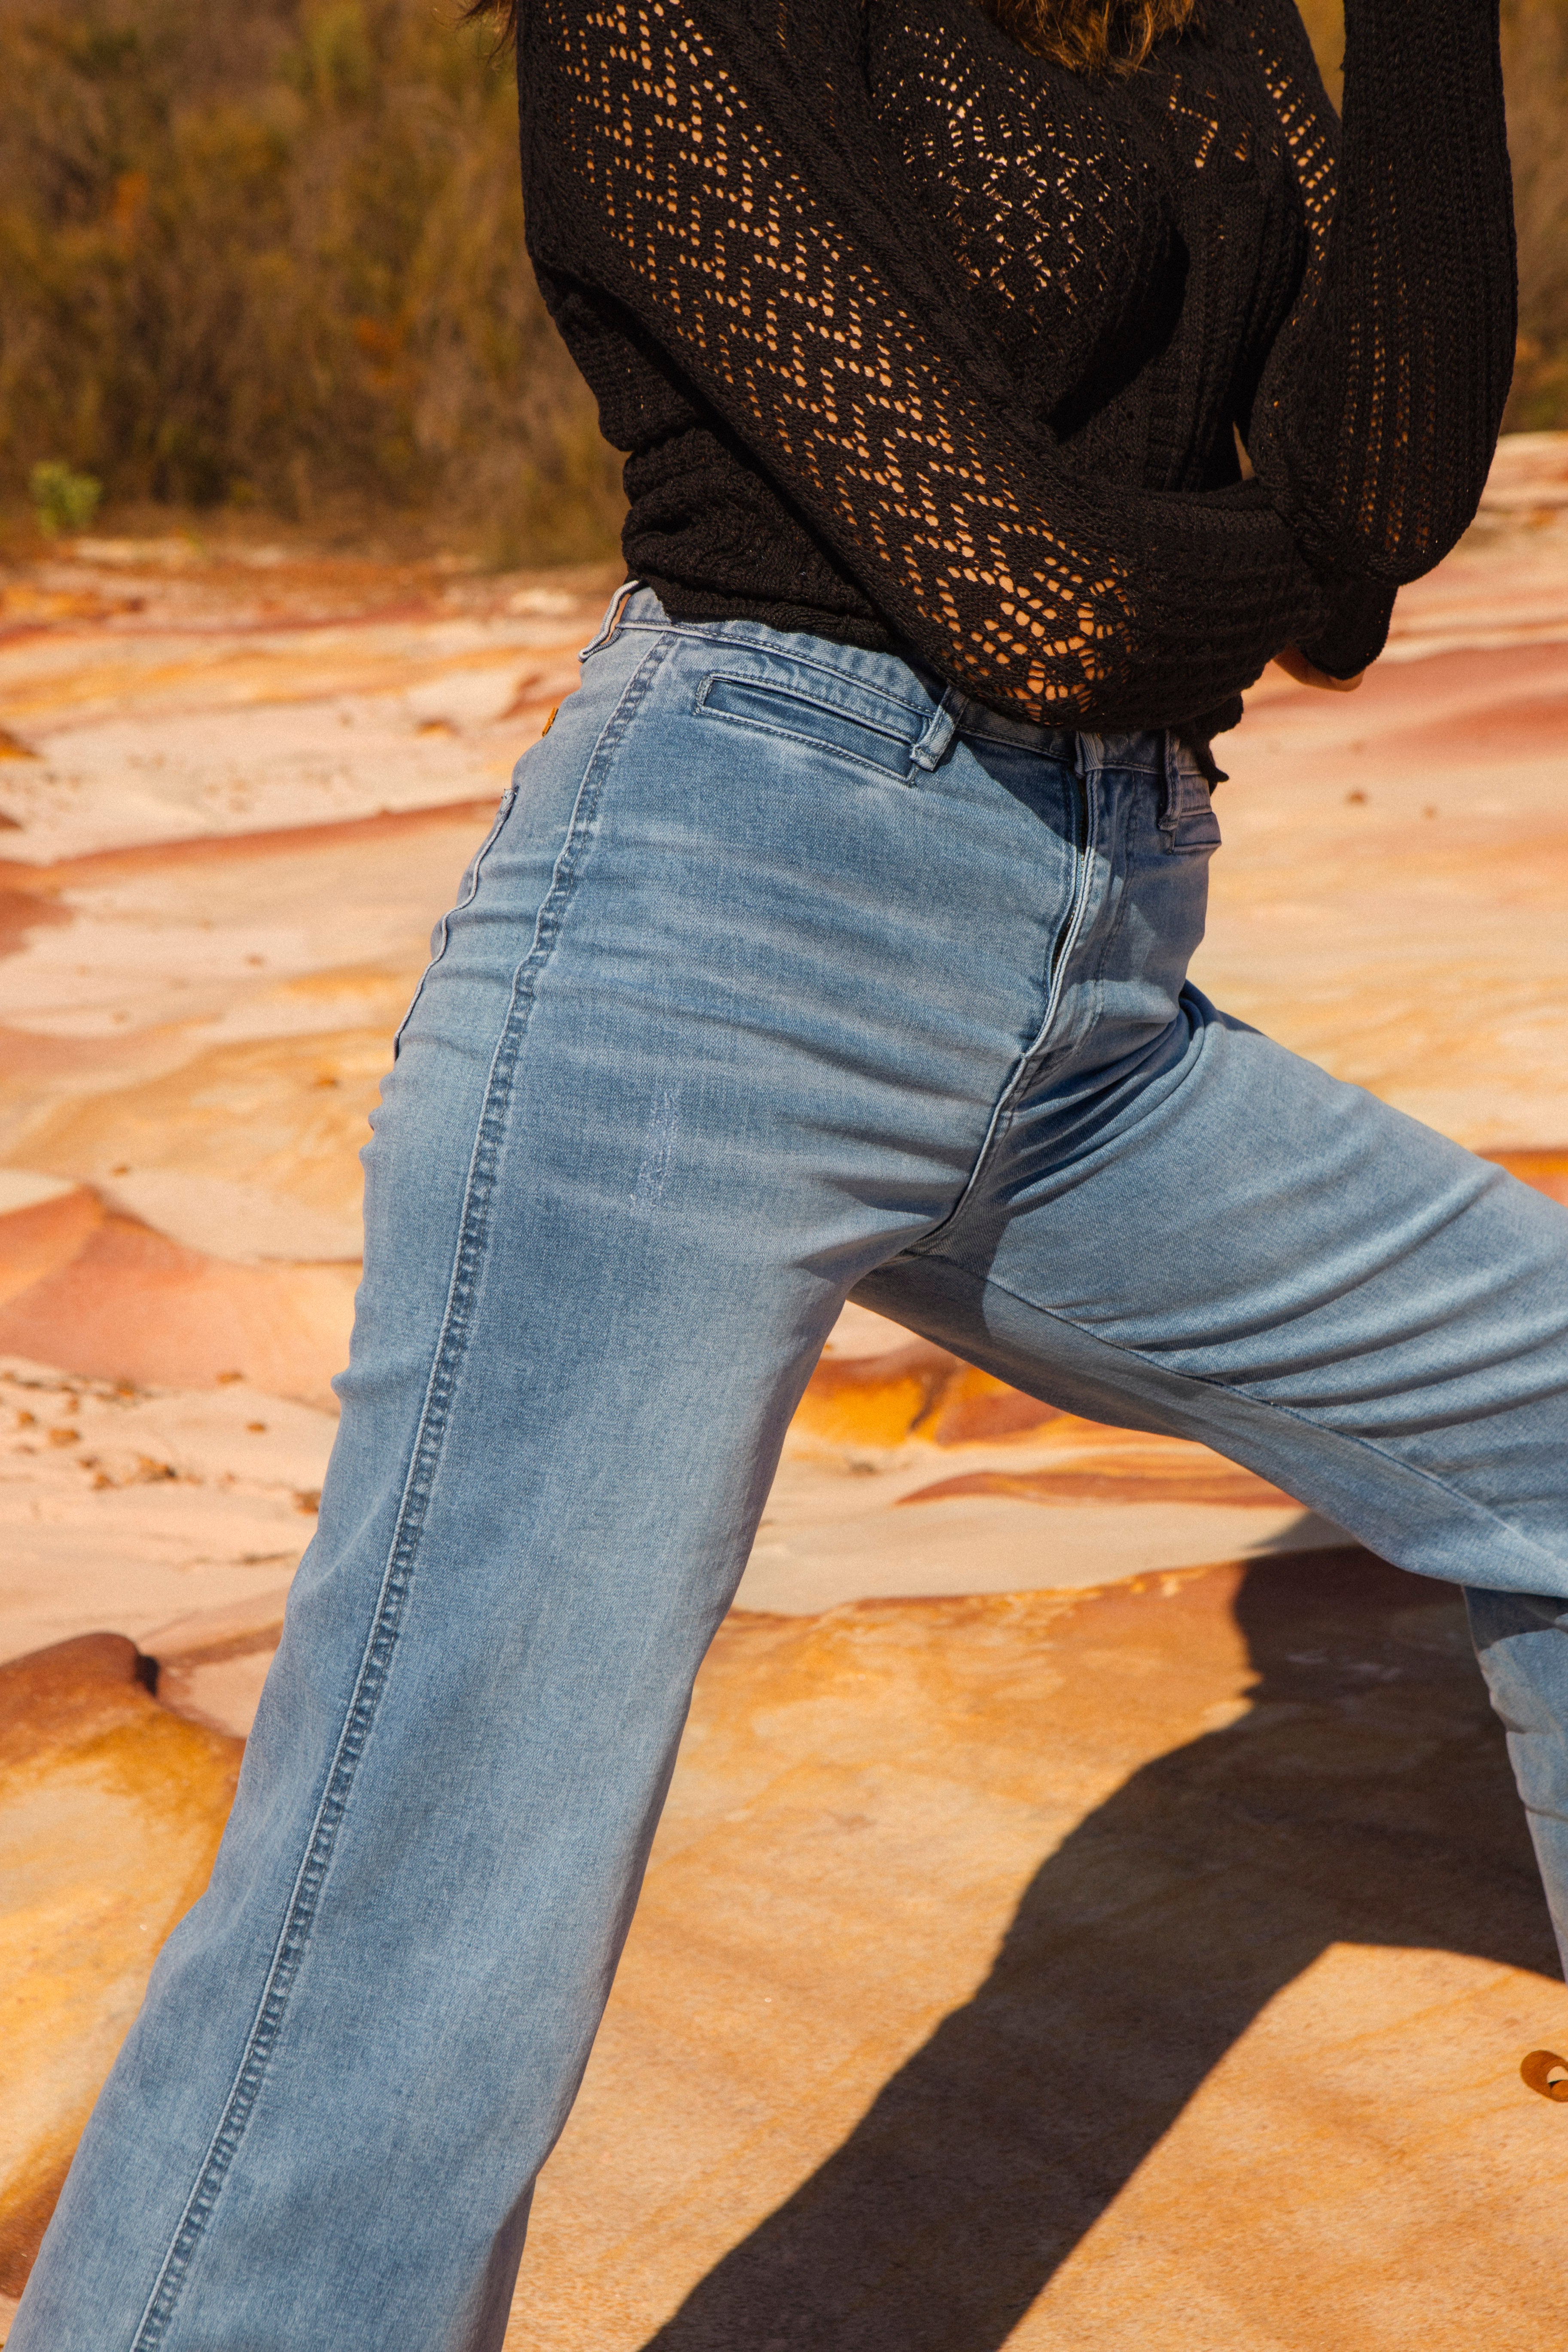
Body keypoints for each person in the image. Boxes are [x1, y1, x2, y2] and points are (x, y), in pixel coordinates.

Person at [14, 1, 1565, 2346]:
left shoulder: (1205, 31)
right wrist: (1262, 575)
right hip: (710, 946)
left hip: (1095, 987)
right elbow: (1041, 595)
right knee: (418, 1931)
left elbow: (1378, 512)